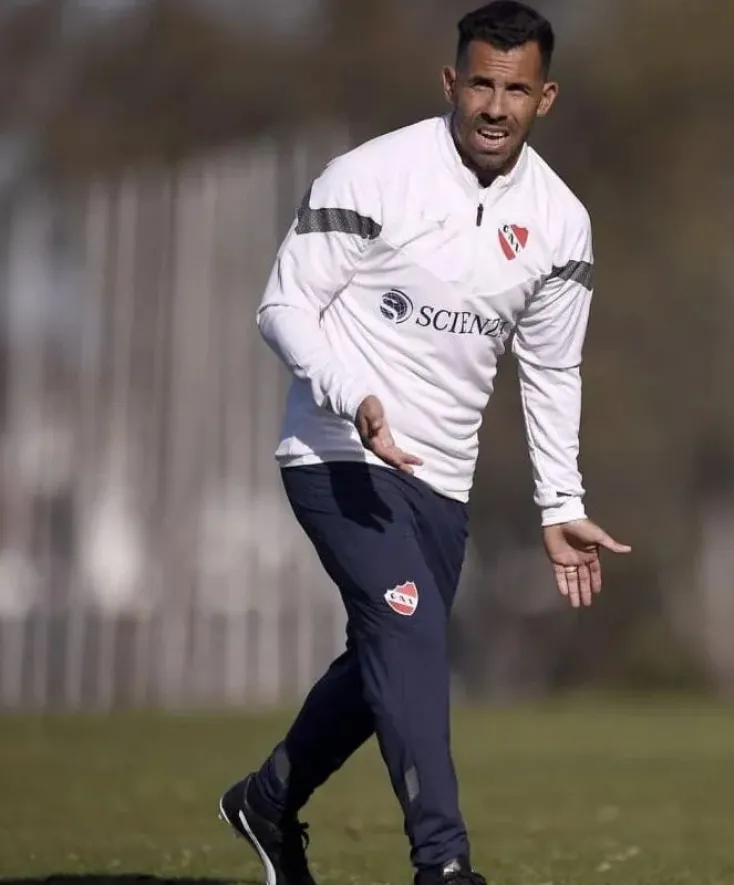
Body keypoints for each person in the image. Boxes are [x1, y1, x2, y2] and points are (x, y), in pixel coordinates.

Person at [216, 3, 630, 884]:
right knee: (409, 633)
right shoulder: (371, 176)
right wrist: (352, 394)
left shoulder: (562, 223)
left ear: (545, 98)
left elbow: (551, 370)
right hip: (335, 453)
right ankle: (443, 862)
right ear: (451, 81)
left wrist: (561, 502)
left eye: (515, 90)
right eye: (480, 83)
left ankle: (267, 799)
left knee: (389, 655)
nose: (494, 106)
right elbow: (282, 305)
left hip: (442, 482)